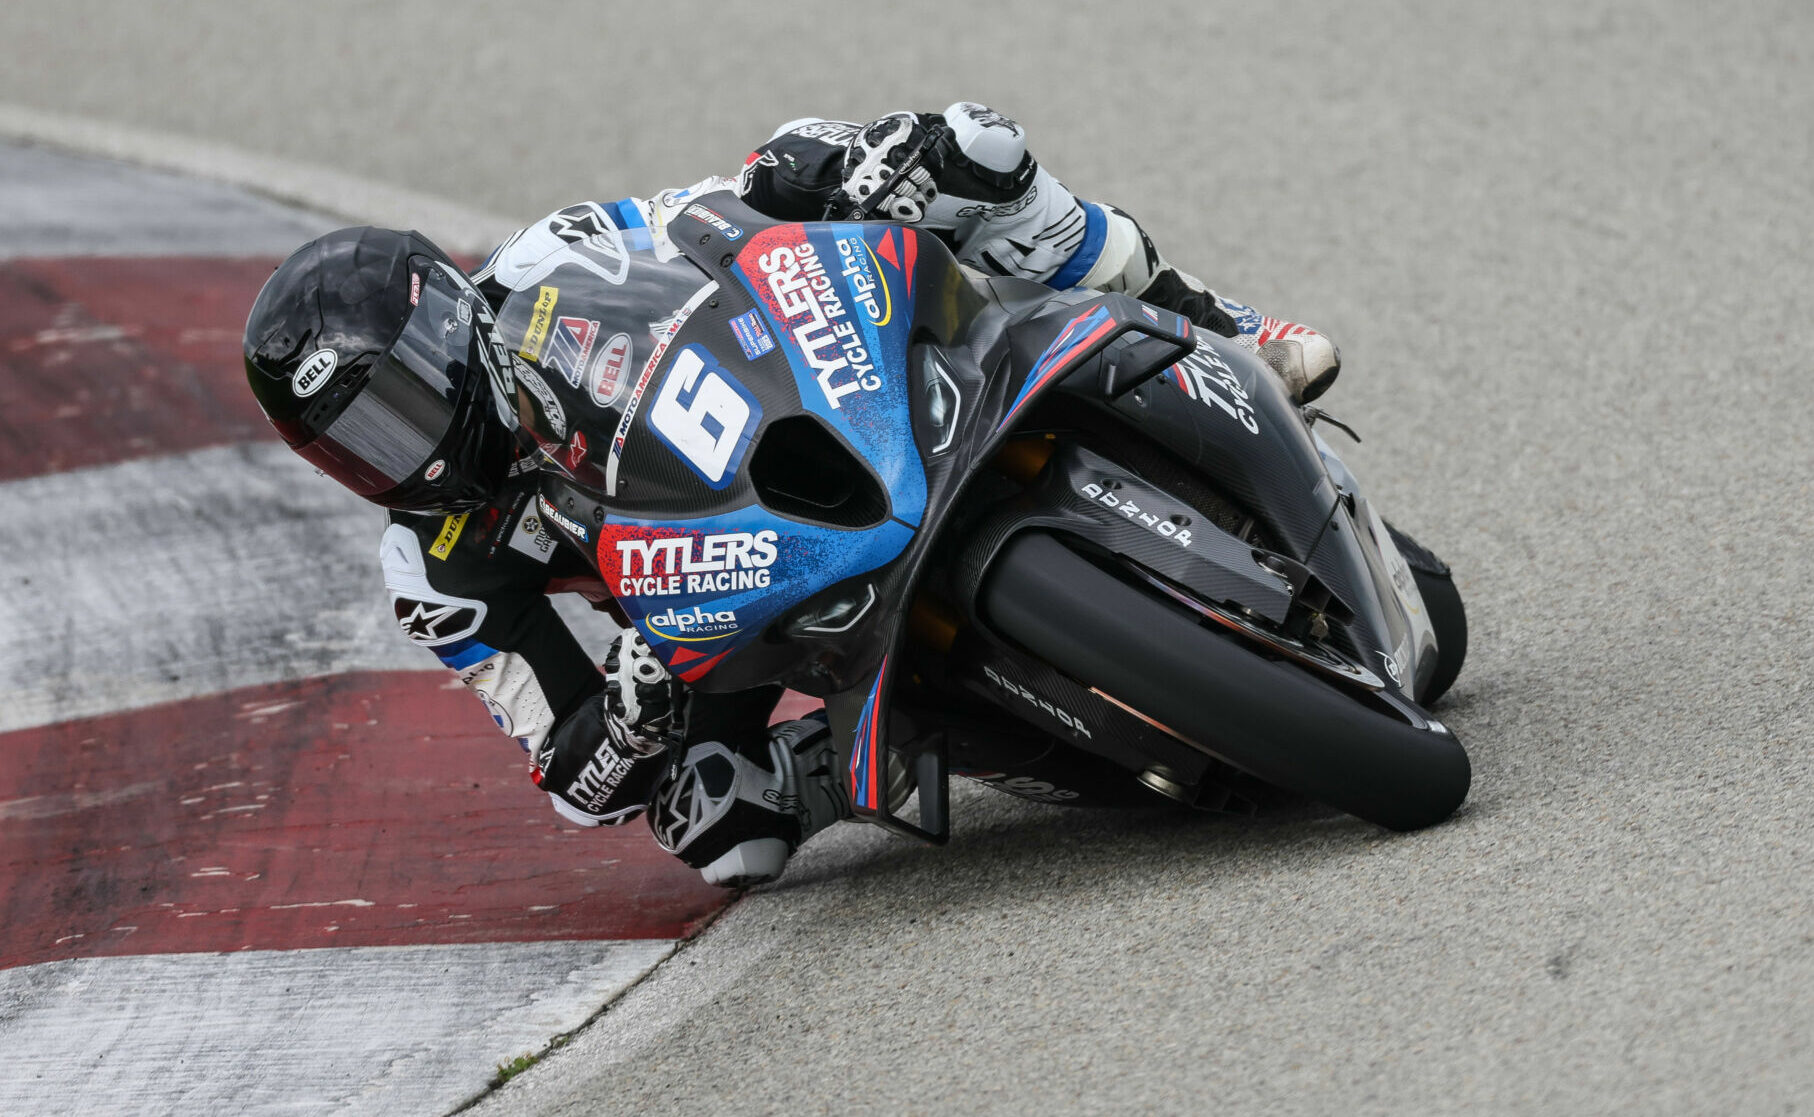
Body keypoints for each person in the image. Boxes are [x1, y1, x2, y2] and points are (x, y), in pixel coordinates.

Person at [242, 103, 1343, 888]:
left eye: (395, 406)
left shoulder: (544, 263)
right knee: (719, 831)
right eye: (355, 447)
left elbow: (712, 215)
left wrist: (844, 171)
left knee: (969, 151)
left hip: (782, 403)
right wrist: (633, 711)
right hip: (709, 610)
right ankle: (907, 749)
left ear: (447, 327)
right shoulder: (432, 564)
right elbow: (573, 775)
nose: (404, 456)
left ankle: (1226, 328)